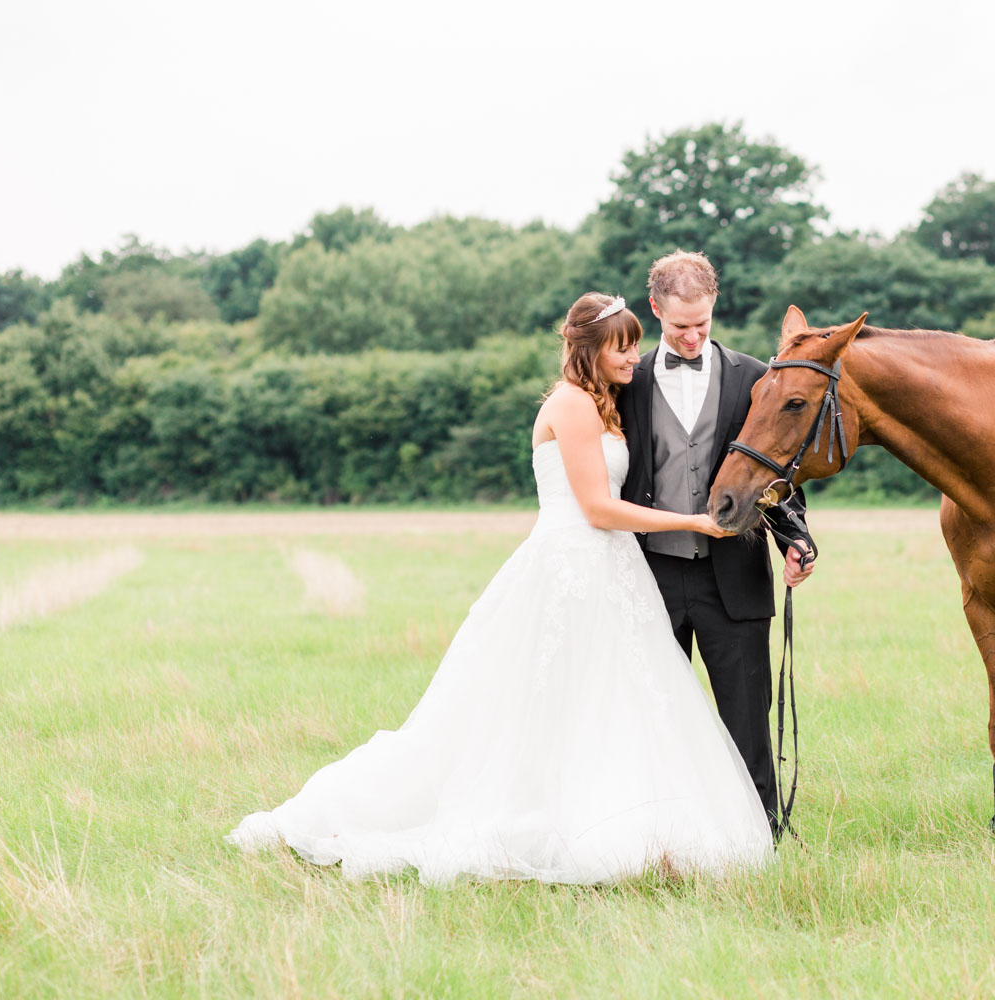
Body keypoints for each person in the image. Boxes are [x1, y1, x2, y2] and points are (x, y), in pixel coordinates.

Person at [227, 292, 774, 885]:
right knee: (549, 699)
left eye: (636, 345)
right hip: (572, 568)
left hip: (610, 574)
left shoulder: (604, 403)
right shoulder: (571, 405)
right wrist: (693, 522)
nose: (634, 358)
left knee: (611, 699)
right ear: (589, 350)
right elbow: (596, 507)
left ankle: (619, 808)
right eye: (624, 347)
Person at [616, 251, 815, 833]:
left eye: (702, 323)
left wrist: (796, 542)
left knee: (748, 719)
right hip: (649, 576)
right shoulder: (627, 381)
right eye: (679, 326)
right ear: (655, 310)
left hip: (735, 577)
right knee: (653, 716)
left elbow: (778, 475)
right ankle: (658, 834)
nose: (692, 336)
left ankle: (764, 836)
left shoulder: (756, 378)